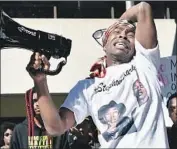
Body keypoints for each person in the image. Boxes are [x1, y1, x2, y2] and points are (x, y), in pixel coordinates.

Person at [26, 2, 169, 148]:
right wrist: (40, 81)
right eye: (116, 32)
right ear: (104, 45)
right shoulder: (86, 87)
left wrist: (118, 23)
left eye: (130, 34)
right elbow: (55, 127)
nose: (123, 35)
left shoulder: (145, 64)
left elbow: (143, 8)